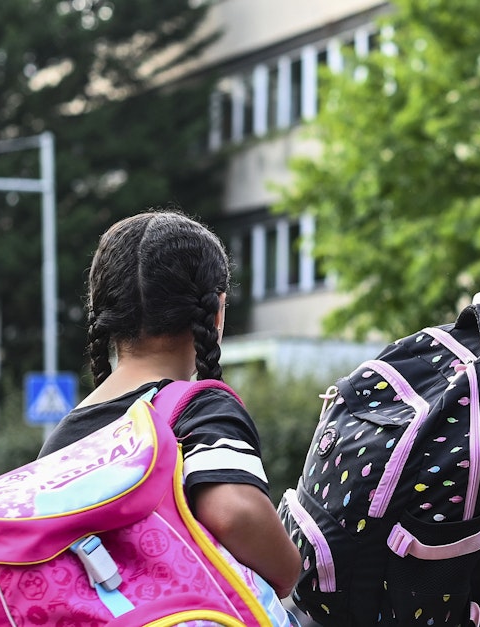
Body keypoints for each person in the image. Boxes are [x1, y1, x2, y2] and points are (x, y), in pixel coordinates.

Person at [42, 209, 301, 594]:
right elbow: (233, 512)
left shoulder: (63, 438)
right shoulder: (201, 410)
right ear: (216, 312)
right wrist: (290, 568)